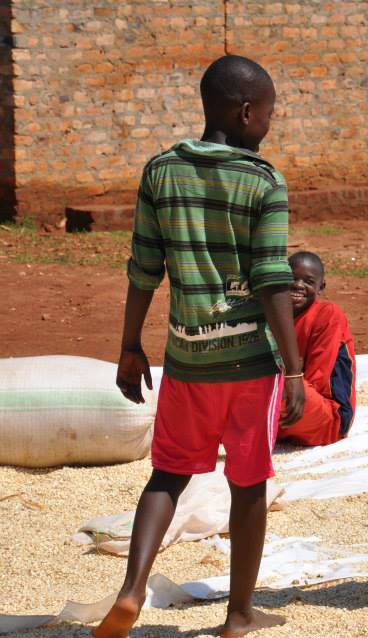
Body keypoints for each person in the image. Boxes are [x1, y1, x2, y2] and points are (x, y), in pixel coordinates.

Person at [93, 55, 304, 638]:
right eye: (267, 112)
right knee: (248, 485)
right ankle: (239, 615)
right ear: (244, 112)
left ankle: (133, 589)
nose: (268, 122)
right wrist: (292, 369)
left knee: (167, 475)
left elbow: (144, 268)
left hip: (187, 360)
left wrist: (130, 345)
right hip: (250, 366)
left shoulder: (160, 171)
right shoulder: (263, 181)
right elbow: (270, 278)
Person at [278, 251, 357, 446]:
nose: (298, 285)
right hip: (286, 410)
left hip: (327, 417)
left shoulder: (327, 315)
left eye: (308, 281)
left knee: (270, 382)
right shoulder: (274, 315)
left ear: (321, 287)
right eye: (292, 278)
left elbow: (317, 382)